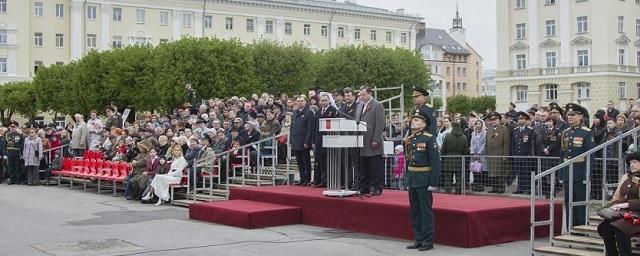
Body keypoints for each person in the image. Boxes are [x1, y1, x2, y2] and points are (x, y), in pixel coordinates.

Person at [404, 108, 440, 252]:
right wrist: (407, 180)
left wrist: (433, 183)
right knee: (415, 211)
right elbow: (408, 161)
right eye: (413, 119)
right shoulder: (410, 138)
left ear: (424, 123)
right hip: (413, 179)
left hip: (424, 180)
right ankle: (418, 238)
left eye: (417, 120)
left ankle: (427, 240)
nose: (413, 121)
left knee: (425, 211)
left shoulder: (429, 138)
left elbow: (435, 162)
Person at [597, 151, 640, 256]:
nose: (632, 165)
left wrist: (626, 205)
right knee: (605, 227)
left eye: (635, 162)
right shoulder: (625, 177)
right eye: (630, 163)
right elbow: (616, 196)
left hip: (636, 214)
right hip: (623, 213)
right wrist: (613, 206)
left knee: (620, 227)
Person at [561, 103, 594, 227]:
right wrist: (561, 173)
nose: (569, 117)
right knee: (569, 202)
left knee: (580, 202)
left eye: (573, 115)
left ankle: (582, 227)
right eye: (568, 115)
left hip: (580, 173)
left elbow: (590, 155)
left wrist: (587, 174)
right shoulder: (566, 132)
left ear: (580, 116)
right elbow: (562, 154)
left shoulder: (586, 132)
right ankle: (571, 227)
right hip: (567, 173)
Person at [355, 85, 385, 196]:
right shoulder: (359, 106)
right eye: (360, 95)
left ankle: (376, 187)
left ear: (370, 93)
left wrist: (376, 139)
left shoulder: (377, 105)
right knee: (364, 167)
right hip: (362, 140)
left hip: (372, 140)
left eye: (363, 94)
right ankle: (365, 186)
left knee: (375, 166)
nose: (361, 97)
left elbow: (380, 123)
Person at [312, 92, 337, 187]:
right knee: (321, 163)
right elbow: (314, 127)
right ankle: (323, 180)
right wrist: (313, 141)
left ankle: (329, 180)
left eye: (325, 100)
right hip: (319, 140)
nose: (323, 102)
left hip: (329, 139)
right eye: (322, 100)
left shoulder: (333, 110)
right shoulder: (318, 112)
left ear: (329, 101)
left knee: (329, 162)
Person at [291, 95, 314, 186]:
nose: (300, 102)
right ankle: (302, 178)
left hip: (304, 140)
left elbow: (310, 128)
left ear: (305, 102)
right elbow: (292, 127)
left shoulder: (309, 113)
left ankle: (307, 179)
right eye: (298, 101)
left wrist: (307, 141)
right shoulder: (295, 112)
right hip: (296, 140)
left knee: (306, 161)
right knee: (299, 162)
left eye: (302, 101)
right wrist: (291, 140)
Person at [485, 112, 511, 193]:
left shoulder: (504, 129)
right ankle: (494, 188)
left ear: (499, 120)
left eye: (495, 119)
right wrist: (486, 154)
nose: (493, 121)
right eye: (491, 120)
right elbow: (486, 143)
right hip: (491, 155)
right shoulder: (489, 130)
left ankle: (501, 188)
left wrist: (505, 156)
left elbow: (507, 144)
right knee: (492, 173)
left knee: (500, 173)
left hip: (500, 155)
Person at [440, 122, 468, 194]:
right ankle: (458, 192)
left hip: (448, 158)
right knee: (459, 177)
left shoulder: (448, 136)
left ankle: (448, 192)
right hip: (460, 159)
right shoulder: (464, 137)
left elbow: (443, 149)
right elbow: (466, 150)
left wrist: (443, 157)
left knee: (448, 177)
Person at [512, 111, 535, 194]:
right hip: (517, 155)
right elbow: (513, 144)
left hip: (526, 155)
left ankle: (528, 188)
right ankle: (520, 188)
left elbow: (531, 144)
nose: (520, 120)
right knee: (519, 172)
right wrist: (514, 154)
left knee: (526, 173)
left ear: (526, 120)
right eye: (519, 119)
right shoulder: (515, 130)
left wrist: (530, 154)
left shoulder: (530, 130)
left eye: (522, 119)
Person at [470, 119, 487, 192]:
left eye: (479, 124)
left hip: (481, 154)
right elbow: (472, 143)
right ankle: (475, 184)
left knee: (481, 170)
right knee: (474, 169)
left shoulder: (485, 133)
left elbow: (484, 144)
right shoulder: (473, 133)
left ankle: (480, 185)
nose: (478, 125)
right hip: (474, 154)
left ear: (482, 125)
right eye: (477, 124)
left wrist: (479, 153)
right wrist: (473, 152)